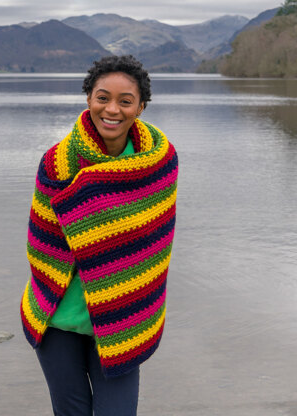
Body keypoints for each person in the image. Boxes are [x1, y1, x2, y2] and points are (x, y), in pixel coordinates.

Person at [20, 55, 179, 416]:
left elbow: (154, 247)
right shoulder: (58, 162)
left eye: (125, 101)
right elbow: (41, 243)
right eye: (102, 97)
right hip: (59, 318)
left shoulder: (159, 161)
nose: (112, 109)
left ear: (141, 106)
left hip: (124, 320)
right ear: (89, 99)